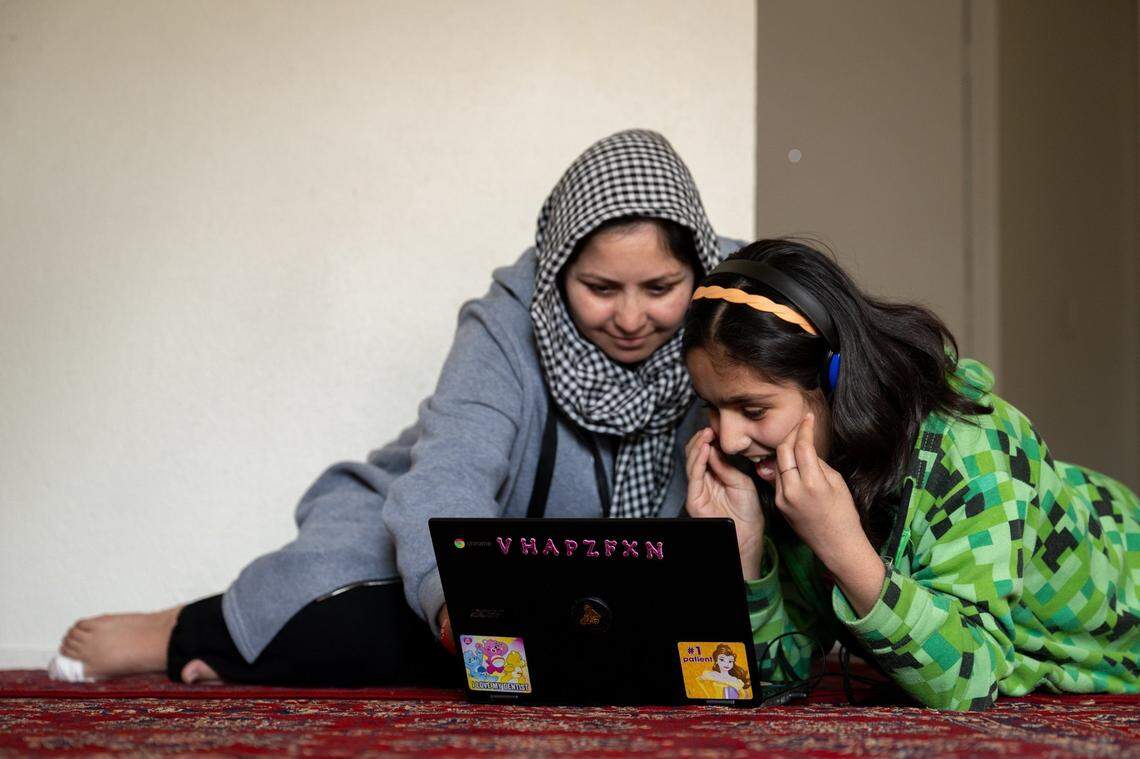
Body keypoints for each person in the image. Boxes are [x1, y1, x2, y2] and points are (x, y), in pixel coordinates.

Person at [54, 129, 738, 686]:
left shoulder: (735, 316)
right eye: (599, 287)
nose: (629, 317)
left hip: (613, 580)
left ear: (698, 271)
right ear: (559, 270)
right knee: (366, 630)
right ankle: (194, 630)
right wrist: (462, 607)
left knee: (623, 643)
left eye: (660, 287)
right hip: (468, 557)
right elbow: (448, 477)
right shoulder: (505, 326)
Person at [682, 238, 1140, 711]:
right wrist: (743, 553)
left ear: (835, 378)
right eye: (711, 408)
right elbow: (760, 677)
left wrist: (842, 546)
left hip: (1127, 572)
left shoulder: (972, 445)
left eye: (752, 409)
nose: (729, 438)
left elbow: (969, 682)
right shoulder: (779, 470)